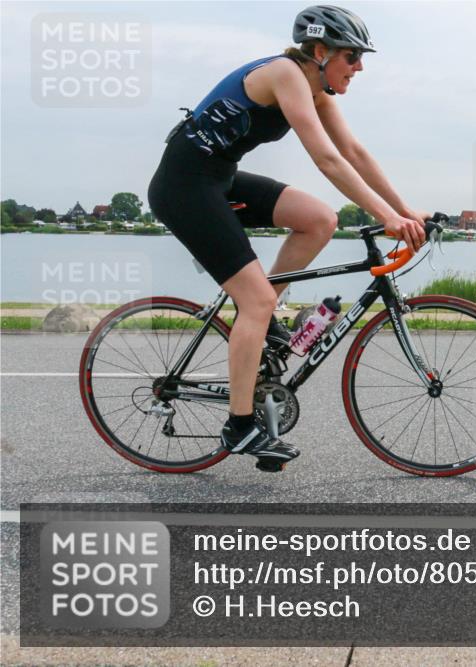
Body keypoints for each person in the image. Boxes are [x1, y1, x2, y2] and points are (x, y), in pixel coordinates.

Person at [147, 5, 428, 471]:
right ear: (320, 52)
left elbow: (353, 151)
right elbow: (327, 160)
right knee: (254, 301)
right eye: (352, 56)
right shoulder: (284, 74)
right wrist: (385, 215)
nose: (359, 67)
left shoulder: (317, 89)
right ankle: (239, 426)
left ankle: (262, 318)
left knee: (320, 218)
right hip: (184, 186)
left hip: (219, 177)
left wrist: (402, 210)